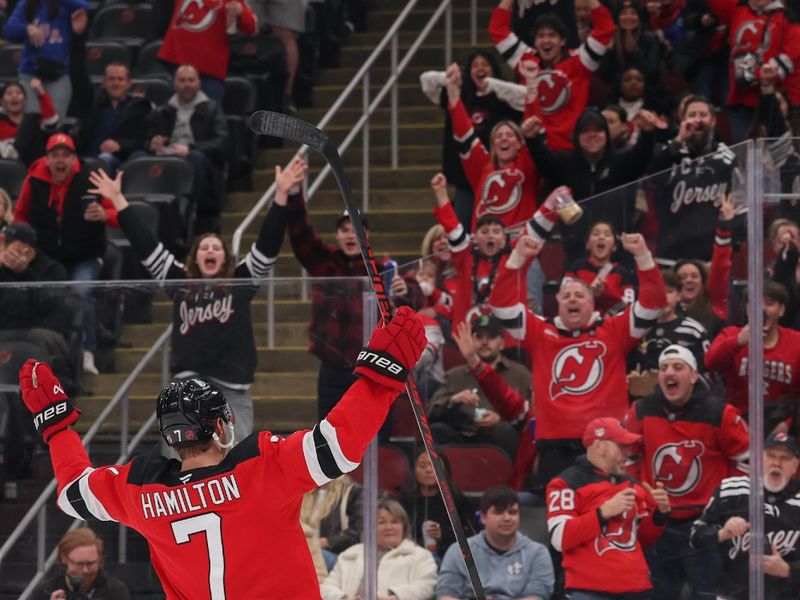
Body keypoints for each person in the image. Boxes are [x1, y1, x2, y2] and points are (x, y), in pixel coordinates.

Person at [18, 303, 427, 597]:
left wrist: (56, 428)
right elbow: (338, 443)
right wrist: (381, 374)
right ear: (219, 425)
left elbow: (73, 493)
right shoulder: (261, 465)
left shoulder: (141, 489)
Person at [86, 161, 304, 443]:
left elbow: (268, 244)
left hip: (233, 387)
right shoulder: (179, 281)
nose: (210, 250)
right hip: (187, 388)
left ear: (225, 258)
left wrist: (281, 195)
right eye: (204, 247)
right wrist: (118, 200)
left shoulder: (241, 281)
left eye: (216, 247)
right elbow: (146, 245)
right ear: (195, 257)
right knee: (181, 466)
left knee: (235, 463)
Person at [489, 230, 666, 486]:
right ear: (558, 302)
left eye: (580, 295)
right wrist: (518, 257)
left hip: (606, 444)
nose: (573, 299)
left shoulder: (614, 331)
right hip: (554, 448)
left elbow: (654, 305)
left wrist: (642, 256)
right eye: (567, 295)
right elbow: (501, 305)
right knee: (562, 521)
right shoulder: (541, 332)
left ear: (592, 304)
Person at [623, 344, 750, 600]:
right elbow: (626, 458)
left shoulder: (719, 413)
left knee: (707, 594)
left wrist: (724, 504)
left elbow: (748, 462)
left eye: (678, 367)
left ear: (693, 376)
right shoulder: (642, 410)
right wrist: (642, 499)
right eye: (664, 368)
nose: (670, 373)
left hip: (705, 526)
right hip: (658, 526)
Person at [274, 156, 370, 422]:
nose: (351, 235)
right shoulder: (323, 260)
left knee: (370, 436)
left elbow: (403, 298)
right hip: (332, 366)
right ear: (337, 235)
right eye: (345, 229)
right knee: (327, 436)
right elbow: (300, 233)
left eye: (357, 230)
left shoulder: (381, 268)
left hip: (369, 368)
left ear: (367, 236)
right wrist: (294, 193)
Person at [13, 132, 119, 375]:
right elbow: (20, 217)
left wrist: (104, 215)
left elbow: (116, 216)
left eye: (66, 155)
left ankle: (87, 351)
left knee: (80, 291)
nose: (60, 161)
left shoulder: (90, 178)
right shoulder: (33, 180)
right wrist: (23, 245)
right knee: (37, 293)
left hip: (85, 253)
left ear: (74, 159)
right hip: (47, 256)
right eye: (55, 155)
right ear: (47, 159)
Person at [546, 418, 671, 599]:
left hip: (636, 588)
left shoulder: (634, 486)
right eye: (622, 446)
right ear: (600, 447)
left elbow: (641, 539)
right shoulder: (565, 483)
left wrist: (660, 514)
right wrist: (603, 513)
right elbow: (559, 538)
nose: (628, 453)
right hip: (588, 590)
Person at [524, 106, 660, 264]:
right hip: (575, 255)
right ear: (577, 136)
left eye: (598, 130)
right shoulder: (564, 163)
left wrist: (648, 133)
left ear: (606, 135)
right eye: (586, 130)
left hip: (619, 256)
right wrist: (532, 139)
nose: (592, 135)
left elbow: (642, 156)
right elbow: (544, 162)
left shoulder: (621, 162)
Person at [489, 0, 615, 151]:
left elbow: (606, 28)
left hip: (572, 150)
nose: (546, 40)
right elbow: (497, 29)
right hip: (536, 149)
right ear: (535, 41)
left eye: (552, 35)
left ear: (562, 41)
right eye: (541, 36)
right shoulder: (526, 60)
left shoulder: (581, 62)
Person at [420, 50, 523, 230]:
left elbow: (527, 97)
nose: (480, 69)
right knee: (463, 230)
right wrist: (448, 78)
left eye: (485, 64)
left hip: (501, 178)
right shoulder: (459, 95)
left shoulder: (504, 97)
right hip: (466, 180)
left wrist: (495, 86)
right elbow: (425, 81)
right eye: (475, 65)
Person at [690, 432, 800, 600]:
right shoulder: (732, 489)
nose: (776, 463)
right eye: (770, 456)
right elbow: (694, 538)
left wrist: (788, 570)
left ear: (795, 466)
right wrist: (722, 533)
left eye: (785, 458)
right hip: (731, 595)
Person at [646, 95, 743, 265]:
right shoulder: (668, 151)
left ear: (713, 121)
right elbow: (653, 180)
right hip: (670, 256)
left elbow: (741, 205)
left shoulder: (728, 159)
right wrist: (678, 140)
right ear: (682, 120)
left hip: (712, 259)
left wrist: (732, 241)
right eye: (692, 115)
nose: (697, 120)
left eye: (703, 114)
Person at [428, 314, 531, 461]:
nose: (484, 342)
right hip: (462, 435)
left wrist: (501, 418)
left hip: (498, 435)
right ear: (470, 341)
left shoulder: (520, 374)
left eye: (491, 337)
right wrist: (453, 400)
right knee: (437, 431)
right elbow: (430, 412)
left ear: (502, 343)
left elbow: (532, 416)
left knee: (506, 432)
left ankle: (511, 482)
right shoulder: (455, 375)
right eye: (479, 336)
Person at [142, 64, 229, 234]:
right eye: (182, 80)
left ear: (199, 83)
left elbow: (222, 142)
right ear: (174, 84)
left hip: (199, 163)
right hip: (167, 160)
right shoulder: (162, 110)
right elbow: (146, 140)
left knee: (195, 157)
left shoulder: (212, 108)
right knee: (138, 157)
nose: (187, 85)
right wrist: (151, 144)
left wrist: (190, 149)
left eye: (191, 80)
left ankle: (190, 216)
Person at [705, 280, 800, 430]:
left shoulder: (796, 342)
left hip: (781, 426)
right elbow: (710, 362)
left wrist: (787, 424)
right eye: (755, 303)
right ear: (748, 308)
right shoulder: (731, 334)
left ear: (781, 310)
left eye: (769, 303)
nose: (762, 309)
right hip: (737, 421)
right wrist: (738, 341)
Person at [437, 485, 555, 600]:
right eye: (498, 512)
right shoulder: (459, 551)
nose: (507, 518)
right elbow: (446, 594)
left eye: (512, 512)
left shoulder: (537, 553)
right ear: (483, 517)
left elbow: (538, 595)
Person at [704, 0, 794, 142]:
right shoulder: (737, 7)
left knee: (777, 153)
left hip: (774, 100)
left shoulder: (788, 16)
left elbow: (792, 54)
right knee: (746, 157)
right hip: (741, 99)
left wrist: (759, 75)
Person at [320, 498, 438, 600]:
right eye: (381, 522)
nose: (389, 527)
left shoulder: (420, 555)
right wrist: (343, 598)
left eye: (395, 522)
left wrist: (396, 597)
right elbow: (326, 588)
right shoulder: (351, 554)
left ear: (404, 527)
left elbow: (428, 585)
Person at [1, 0, 89, 119]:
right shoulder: (26, 4)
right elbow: (8, 30)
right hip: (30, 74)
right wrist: (26, 28)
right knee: (31, 122)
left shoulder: (67, 5)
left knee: (54, 123)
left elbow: (86, 6)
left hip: (58, 75)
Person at [628, 270, 711, 392]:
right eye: (658, 292)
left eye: (669, 292)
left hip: (686, 399)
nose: (663, 297)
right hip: (644, 398)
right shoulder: (637, 330)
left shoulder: (693, 330)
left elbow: (708, 373)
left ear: (679, 295)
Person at [158, 0, 257, 102]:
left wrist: (240, 12)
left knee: (209, 113)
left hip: (209, 67)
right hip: (177, 59)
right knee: (175, 113)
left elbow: (251, 28)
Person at [398, 448, 478, 563]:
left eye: (434, 465)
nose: (429, 470)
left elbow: (471, 537)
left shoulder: (457, 501)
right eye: (422, 465)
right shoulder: (403, 501)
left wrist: (444, 534)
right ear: (413, 470)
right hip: (410, 559)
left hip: (450, 558)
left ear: (445, 470)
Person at [75, 62, 152, 175]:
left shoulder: (138, 108)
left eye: (120, 79)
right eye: (111, 79)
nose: (115, 83)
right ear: (104, 82)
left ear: (128, 83)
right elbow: (78, 76)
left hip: (119, 162)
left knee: (109, 158)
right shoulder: (91, 104)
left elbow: (142, 141)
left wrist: (120, 145)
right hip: (88, 160)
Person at [31, 527, 130, 600]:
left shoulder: (115, 591)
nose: (85, 570)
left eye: (91, 563)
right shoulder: (45, 591)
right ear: (64, 558)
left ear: (99, 559)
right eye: (79, 564)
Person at [564, 221, 636, 315]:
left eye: (607, 234)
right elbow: (564, 299)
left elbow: (629, 306)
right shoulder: (576, 269)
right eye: (595, 234)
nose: (601, 237)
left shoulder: (622, 273)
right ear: (588, 244)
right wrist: (590, 295)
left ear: (614, 246)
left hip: (612, 325)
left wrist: (604, 294)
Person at [301, 474, 362, 573]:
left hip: (338, 555)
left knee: (311, 556)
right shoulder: (304, 492)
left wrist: (325, 542)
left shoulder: (351, 492)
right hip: (309, 549)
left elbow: (356, 531)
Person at [0, 79, 57, 164]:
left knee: (33, 120)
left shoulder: (33, 120)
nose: (14, 96)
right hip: (7, 166)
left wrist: (40, 91)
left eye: (18, 93)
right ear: (2, 101)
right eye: (9, 94)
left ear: (25, 100)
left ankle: (14, 152)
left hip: (32, 163)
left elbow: (51, 123)